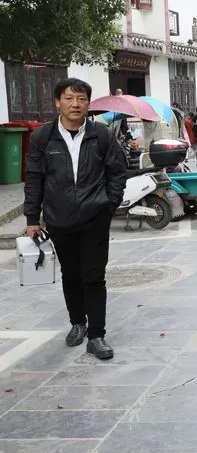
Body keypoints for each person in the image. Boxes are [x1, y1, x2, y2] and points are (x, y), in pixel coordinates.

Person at [24, 78, 127, 360]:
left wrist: (108, 204)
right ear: (58, 102)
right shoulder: (42, 138)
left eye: (81, 99)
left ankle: (97, 335)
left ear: (88, 104)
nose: (75, 104)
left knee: (94, 276)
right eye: (69, 98)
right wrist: (32, 218)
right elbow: (34, 178)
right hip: (59, 219)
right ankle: (77, 322)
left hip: (95, 218)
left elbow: (117, 171)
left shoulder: (101, 135)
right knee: (71, 275)